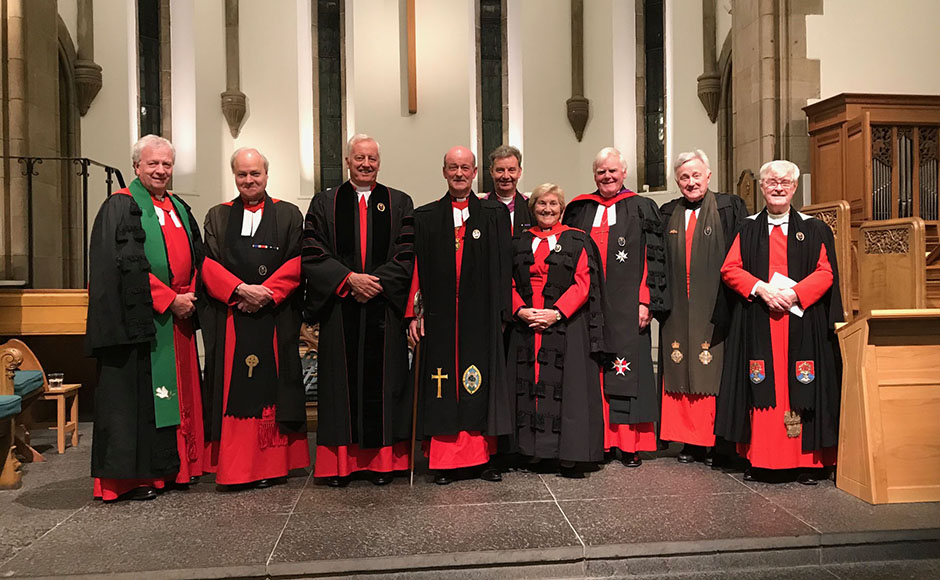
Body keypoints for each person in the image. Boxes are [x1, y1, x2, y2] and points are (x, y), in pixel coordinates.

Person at [86, 135, 205, 502]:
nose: (161, 170)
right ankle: (138, 478)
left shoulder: (179, 206)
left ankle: (176, 469)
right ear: (137, 166)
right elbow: (120, 268)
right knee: (138, 400)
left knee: (179, 394)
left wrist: (190, 296)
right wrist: (169, 300)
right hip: (141, 325)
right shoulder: (120, 207)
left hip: (178, 321)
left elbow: (198, 255)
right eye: (153, 164)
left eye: (167, 164)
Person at [716, 160, 843, 485]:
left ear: (795, 188)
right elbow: (730, 269)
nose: (778, 187)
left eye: (785, 182)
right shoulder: (746, 228)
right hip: (760, 321)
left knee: (801, 384)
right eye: (772, 181)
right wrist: (761, 289)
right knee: (762, 383)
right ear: (761, 186)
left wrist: (796, 294)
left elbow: (826, 272)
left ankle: (807, 463)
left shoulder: (815, 229)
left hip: (802, 322)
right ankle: (762, 458)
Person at [302, 134, 415, 487]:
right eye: (359, 158)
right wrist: (349, 279)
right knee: (340, 390)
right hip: (340, 309)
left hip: (384, 309)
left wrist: (375, 282)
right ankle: (340, 466)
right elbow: (311, 250)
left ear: (379, 162)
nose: (366, 164)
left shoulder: (399, 202)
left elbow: (407, 252)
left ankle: (382, 465)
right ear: (347, 161)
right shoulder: (324, 203)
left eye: (372, 159)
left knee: (386, 388)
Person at [199, 147, 309, 489]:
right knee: (234, 388)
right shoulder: (217, 216)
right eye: (242, 174)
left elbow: (299, 259)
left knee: (275, 387)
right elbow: (207, 263)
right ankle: (236, 468)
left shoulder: (289, 215)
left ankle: (271, 467)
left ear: (266, 174)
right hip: (234, 317)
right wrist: (238, 290)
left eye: (255, 174)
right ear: (235, 176)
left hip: (275, 318)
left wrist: (268, 292)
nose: (249, 180)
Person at [406, 146, 513, 485]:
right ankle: (444, 460)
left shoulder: (494, 214)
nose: (459, 174)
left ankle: (481, 458)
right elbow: (415, 270)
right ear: (444, 171)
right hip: (439, 316)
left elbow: (502, 266)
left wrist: (501, 313)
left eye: (465, 167)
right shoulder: (425, 216)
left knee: (478, 384)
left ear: (475, 170)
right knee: (442, 386)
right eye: (453, 167)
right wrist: (414, 314)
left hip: (479, 316)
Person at [563, 147, 668, 468]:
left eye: (612, 171)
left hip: (627, 305)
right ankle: (600, 440)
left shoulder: (643, 207)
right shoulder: (579, 208)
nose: (607, 177)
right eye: (601, 172)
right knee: (592, 370)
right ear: (594, 175)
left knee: (627, 370)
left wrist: (645, 300)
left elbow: (655, 257)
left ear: (624, 173)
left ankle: (628, 443)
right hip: (588, 304)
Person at [508, 183, 606, 477]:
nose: (547, 209)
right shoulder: (519, 241)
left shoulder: (578, 240)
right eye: (541, 204)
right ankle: (533, 451)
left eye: (553, 204)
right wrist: (521, 310)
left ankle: (566, 453)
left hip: (565, 325)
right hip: (526, 324)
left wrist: (556, 313)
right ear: (532, 207)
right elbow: (506, 281)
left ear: (562, 209)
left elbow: (584, 282)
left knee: (566, 389)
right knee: (528, 388)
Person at [659, 151, 747, 466]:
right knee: (680, 364)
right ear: (677, 181)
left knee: (715, 366)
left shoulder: (728, 207)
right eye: (684, 177)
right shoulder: (667, 212)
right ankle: (690, 442)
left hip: (717, 304)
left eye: (696, 175)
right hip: (678, 307)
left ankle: (717, 441)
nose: (691, 182)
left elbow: (742, 252)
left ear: (708, 176)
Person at [484, 145, 534, 234]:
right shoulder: (481, 207)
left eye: (511, 170)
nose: (506, 176)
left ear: (519, 172)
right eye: (500, 170)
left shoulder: (530, 207)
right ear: (491, 172)